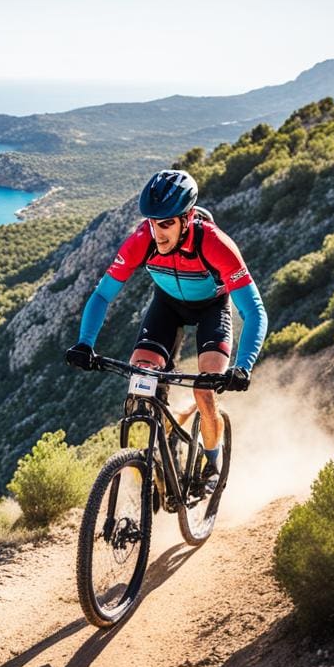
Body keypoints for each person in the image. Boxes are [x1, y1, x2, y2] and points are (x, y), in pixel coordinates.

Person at [65, 169, 267, 490]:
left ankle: (213, 463)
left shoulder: (215, 244)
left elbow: (254, 311)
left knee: (204, 390)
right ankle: (163, 446)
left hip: (212, 309)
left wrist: (243, 366)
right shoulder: (141, 240)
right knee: (141, 377)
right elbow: (102, 294)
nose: (158, 233)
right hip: (167, 306)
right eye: (152, 222)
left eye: (167, 223)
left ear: (187, 219)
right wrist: (85, 343)